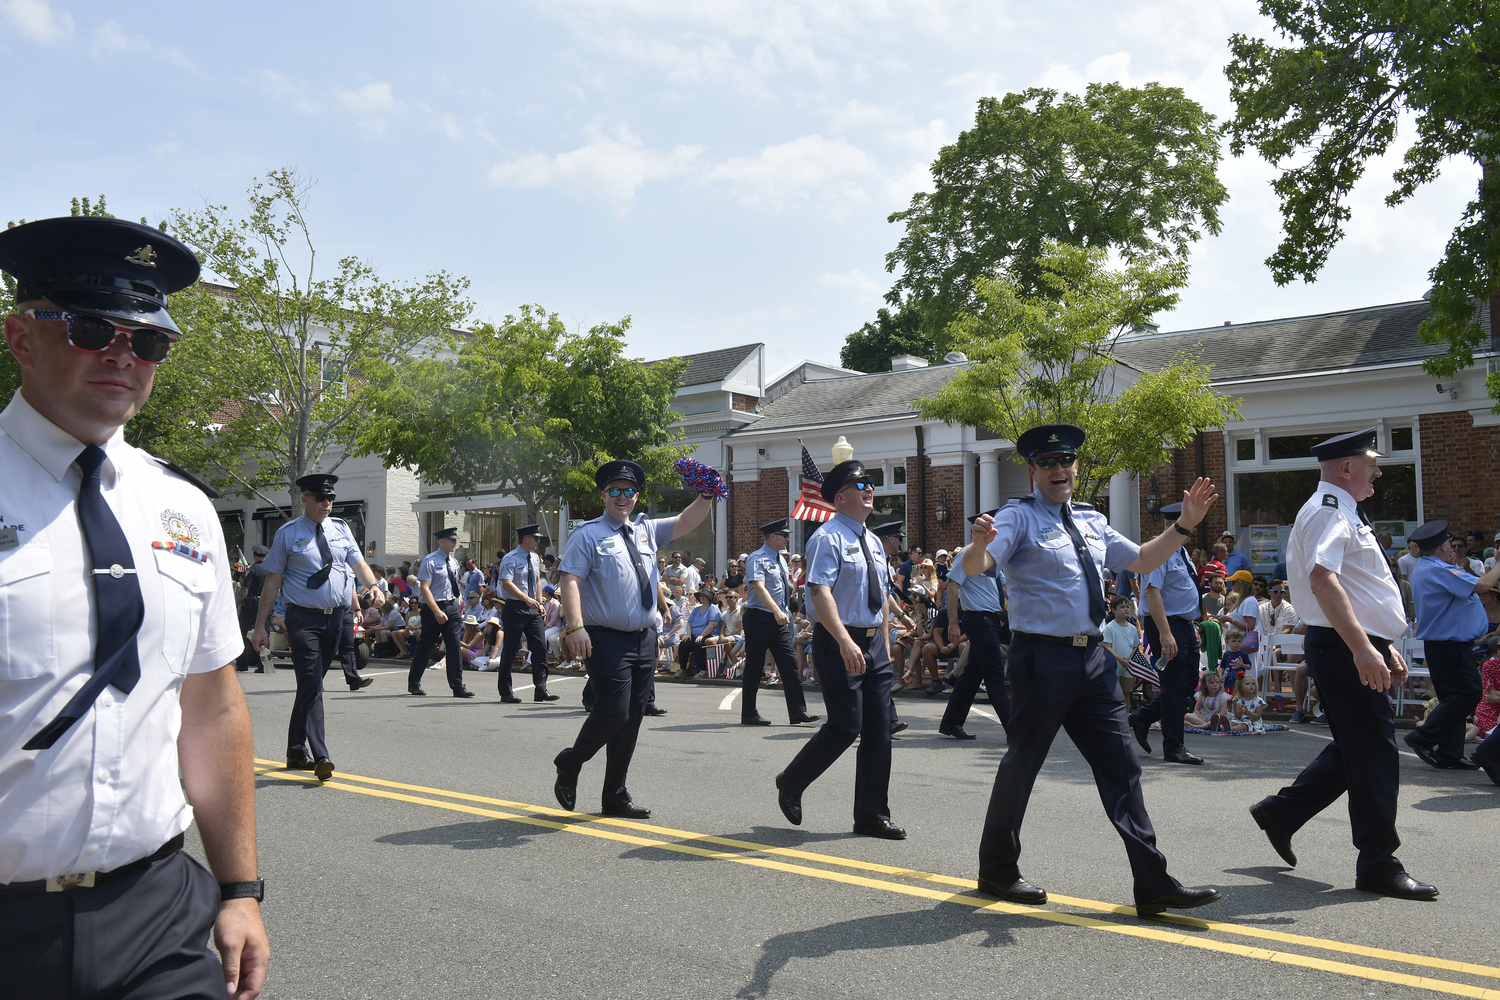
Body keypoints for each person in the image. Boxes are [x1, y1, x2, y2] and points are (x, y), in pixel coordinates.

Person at [0, 215, 268, 998]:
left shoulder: (182, 509)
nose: (123, 355)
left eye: (147, 341)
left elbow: (212, 706)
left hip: (155, 915)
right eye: (90, 329)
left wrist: (240, 890)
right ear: (22, 336)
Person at [962, 422, 1221, 916]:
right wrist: (978, 544)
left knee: (1123, 766)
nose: (1060, 470)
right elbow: (977, 567)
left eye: (1066, 462)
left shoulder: (1091, 520)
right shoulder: (1015, 519)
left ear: (1076, 468)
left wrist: (1185, 525)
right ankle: (997, 869)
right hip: (1042, 658)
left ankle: (1153, 883)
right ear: (1033, 472)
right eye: (1048, 464)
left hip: (1093, 658)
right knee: (1024, 763)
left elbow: (1144, 559)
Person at [1248, 428, 1436, 900]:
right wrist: (1361, 647)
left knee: (1357, 746)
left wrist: (1378, 641)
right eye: (1370, 462)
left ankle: (1283, 812)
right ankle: (1377, 860)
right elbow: (1323, 582)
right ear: (1347, 468)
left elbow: (1352, 588)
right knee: (1373, 752)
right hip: (1341, 646)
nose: (1377, 470)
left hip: (1347, 642)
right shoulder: (1329, 511)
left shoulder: (1343, 509)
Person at [553, 459, 716, 817]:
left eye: (628, 491)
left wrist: (706, 494)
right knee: (612, 711)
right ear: (604, 494)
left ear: (637, 496)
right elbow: (570, 581)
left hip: (644, 637)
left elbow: (686, 521)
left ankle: (615, 794)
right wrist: (576, 627)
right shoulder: (588, 534)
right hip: (605, 637)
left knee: (631, 717)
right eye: (615, 490)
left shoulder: (645, 530)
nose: (622, 497)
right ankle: (570, 761)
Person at [774, 458, 904, 839]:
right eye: (860, 486)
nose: (869, 491)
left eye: (870, 486)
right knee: (846, 726)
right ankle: (792, 781)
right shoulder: (827, 538)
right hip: (838, 640)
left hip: (872, 643)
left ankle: (871, 815)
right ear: (840, 497)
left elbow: (877, 598)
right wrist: (846, 640)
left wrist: (881, 640)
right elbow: (820, 592)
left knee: (880, 730)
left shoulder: (873, 541)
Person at [254, 472, 381, 777]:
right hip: (303, 620)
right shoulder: (287, 533)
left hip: (336, 618)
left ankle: (296, 753)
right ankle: (321, 755)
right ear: (305, 499)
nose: (327, 504)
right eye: (321, 498)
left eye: (331, 498)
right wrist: (260, 625)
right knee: (312, 685)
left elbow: (358, 563)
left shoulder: (341, 529)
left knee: (310, 688)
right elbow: (272, 583)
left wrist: (373, 585)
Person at [1404, 519, 1500, 768]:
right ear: (1442, 546)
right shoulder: (1439, 569)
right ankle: (1423, 736)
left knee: (1453, 698)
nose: (1450, 546)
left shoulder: (1428, 567)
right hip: (1450, 645)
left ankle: (1450, 752)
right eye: (1447, 542)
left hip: (1443, 645)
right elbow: (1483, 585)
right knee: (1468, 694)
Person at [1128, 502, 1206, 765]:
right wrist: (1165, 633)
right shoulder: (1159, 553)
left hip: (1184, 625)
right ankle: (1174, 746)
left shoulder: (1182, 554)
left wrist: (1191, 626)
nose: (1192, 530)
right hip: (1166, 624)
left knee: (1185, 684)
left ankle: (1142, 717)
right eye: (1189, 526)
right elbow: (1152, 593)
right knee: (1173, 686)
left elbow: (1185, 595)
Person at [940, 510, 1013, 741]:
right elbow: (952, 587)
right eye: (989, 528)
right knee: (994, 677)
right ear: (975, 532)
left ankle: (951, 722)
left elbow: (1002, 590)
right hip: (978, 619)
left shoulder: (992, 557)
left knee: (973, 674)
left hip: (990, 619)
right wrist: (953, 622)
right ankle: (1015, 730)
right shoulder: (966, 555)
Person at [740, 519, 818, 726]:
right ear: (773, 536)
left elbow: (783, 583)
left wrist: (792, 586)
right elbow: (758, 587)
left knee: (789, 665)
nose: (787, 539)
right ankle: (748, 712)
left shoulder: (781, 559)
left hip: (779, 619)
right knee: (755, 666)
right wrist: (776, 611)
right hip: (760, 617)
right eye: (784, 535)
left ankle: (798, 712)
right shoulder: (757, 558)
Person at [403, 526, 476, 699]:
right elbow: (425, 588)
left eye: (455, 540)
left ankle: (458, 686)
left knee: (454, 646)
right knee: (426, 646)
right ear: (441, 541)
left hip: (451, 606)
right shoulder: (430, 561)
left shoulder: (453, 562)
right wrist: (436, 611)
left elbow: (453, 585)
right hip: (433, 607)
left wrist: (458, 606)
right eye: (451, 540)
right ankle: (414, 683)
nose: (454, 543)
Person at [495, 523, 556, 702]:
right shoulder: (510, 558)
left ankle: (541, 689)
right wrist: (525, 598)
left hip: (532, 608)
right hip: (515, 607)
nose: (538, 541)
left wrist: (538, 602)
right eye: (535, 538)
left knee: (540, 647)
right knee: (511, 649)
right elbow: (506, 583)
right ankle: (505, 692)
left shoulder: (535, 558)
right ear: (526, 539)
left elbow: (537, 580)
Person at [236, 544, 270, 671]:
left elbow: (245, 589)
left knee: (242, 634)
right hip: (266, 606)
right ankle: (264, 665)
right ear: (266, 556)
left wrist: (238, 603)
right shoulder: (270, 570)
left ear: (254, 556)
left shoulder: (252, 571)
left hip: (250, 607)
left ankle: (242, 664)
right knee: (265, 634)